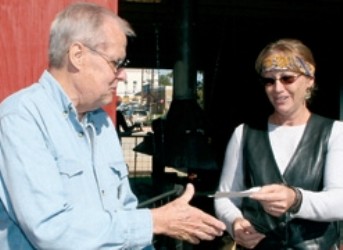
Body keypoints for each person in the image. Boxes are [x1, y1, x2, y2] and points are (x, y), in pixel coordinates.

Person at [0, 2, 225, 249]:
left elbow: (124, 210)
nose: (123, 74)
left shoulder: (101, 123)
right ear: (78, 56)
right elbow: (52, 231)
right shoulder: (22, 119)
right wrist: (154, 222)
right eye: (116, 63)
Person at [214, 38, 343, 249]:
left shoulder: (335, 132)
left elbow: (340, 201)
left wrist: (296, 200)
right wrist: (234, 223)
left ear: (309, 79)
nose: (277, 88)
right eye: (269, 81)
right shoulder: (245, 134)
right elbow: (224, 196)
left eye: (287, 79)